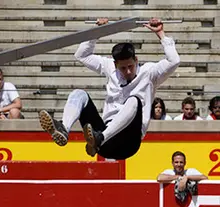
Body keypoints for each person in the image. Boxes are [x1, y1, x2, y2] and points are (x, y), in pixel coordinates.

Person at [38, 17, 180, 159]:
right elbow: (81, 55)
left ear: (136, 60)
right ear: (115, 64)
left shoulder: (149, 72)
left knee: (135, 101)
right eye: (123, 68)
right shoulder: (109, 67)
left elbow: (174, 61)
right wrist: (97, 32)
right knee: (79, 94)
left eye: (130, 66)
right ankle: (64, 129)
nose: (128, 72)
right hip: (105, 143)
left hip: (129, 141)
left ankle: (99, 138)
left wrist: (160, 33)